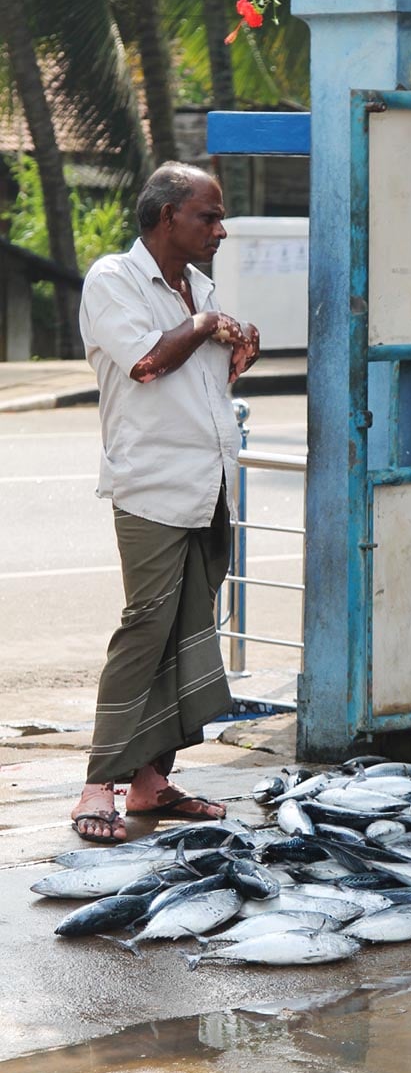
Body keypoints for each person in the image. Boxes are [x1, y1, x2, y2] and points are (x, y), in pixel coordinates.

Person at [70, 162, 260, 844]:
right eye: (207, 216)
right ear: (164, 217)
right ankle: (100, 780)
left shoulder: (198, 287)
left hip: (208, 486)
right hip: (151, 486)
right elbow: (148, 362)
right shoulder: (114, 281)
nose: (221, 228)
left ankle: (151, 779)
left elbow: (202, 376)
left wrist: (237, 344)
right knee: (145, 629)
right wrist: (209, 323)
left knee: (186, 635)